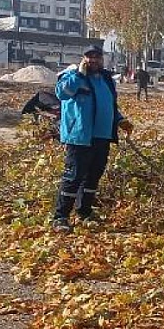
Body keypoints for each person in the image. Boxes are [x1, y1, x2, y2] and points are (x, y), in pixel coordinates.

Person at [52, 45, 132, 232]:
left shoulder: (106, 79)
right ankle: (61, 217)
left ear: (102, 59)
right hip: (80, 137)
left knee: (93, 177)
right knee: (73, 177)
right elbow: (62, 93)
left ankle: (84, 213)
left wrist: (120, 120)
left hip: (102, 136)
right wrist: (79, 75)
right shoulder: (72, 76)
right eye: (89, 56)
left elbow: (109, 105)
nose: (93, 60)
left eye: (97, 56)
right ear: (83, 58)